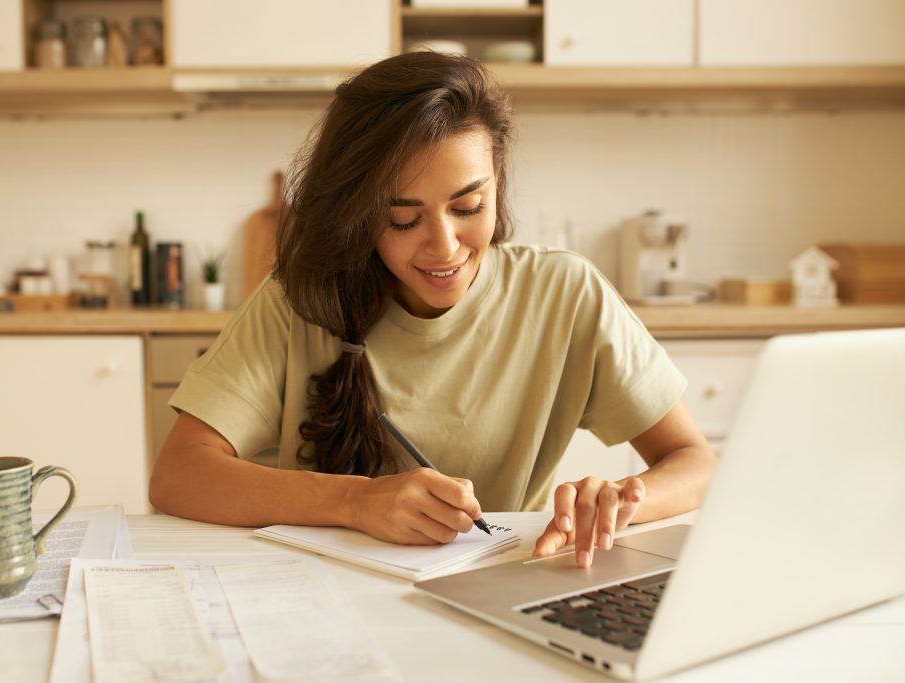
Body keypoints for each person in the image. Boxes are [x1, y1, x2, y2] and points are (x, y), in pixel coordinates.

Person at [149, 51, 716, 568]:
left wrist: (623, 502)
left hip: (499, 588)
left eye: (469, 205)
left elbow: (694, 460)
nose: (443, 246)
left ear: (498, 184)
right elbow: (178, 475)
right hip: (316, 592)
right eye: (403, 219)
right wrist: (356, 501)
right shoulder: (297, 300)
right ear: (357, 210)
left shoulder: (565, 293)